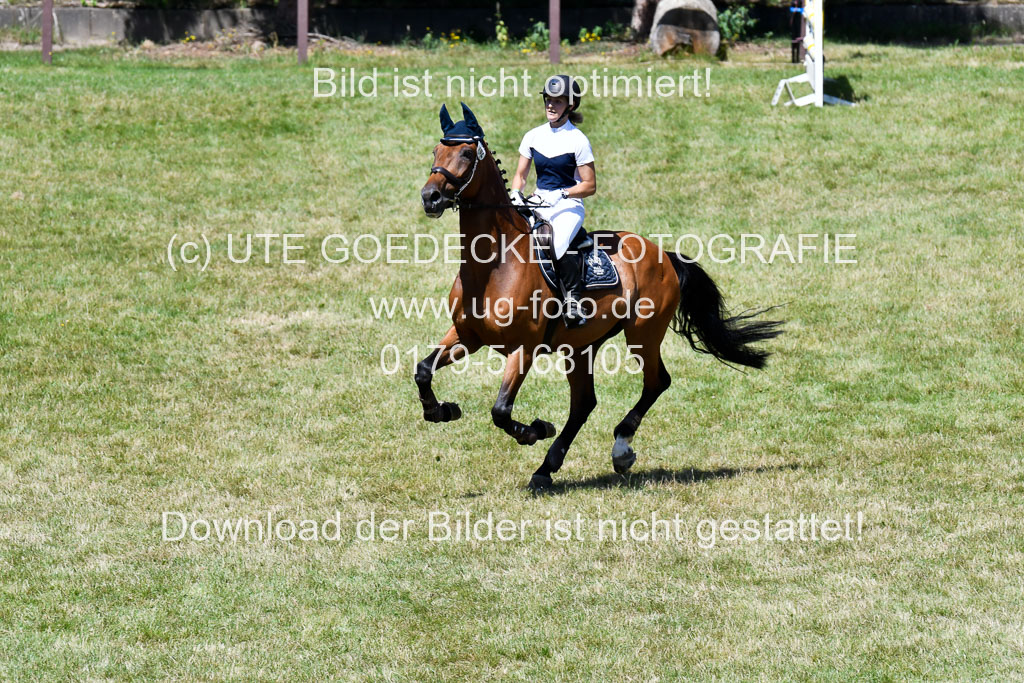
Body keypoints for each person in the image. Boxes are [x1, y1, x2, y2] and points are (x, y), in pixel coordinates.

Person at [509, 75, 597, 328]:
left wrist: (564, 193)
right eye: (548, 100)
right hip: (539, 199)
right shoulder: (533, 136)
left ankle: (573, 300)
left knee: (556, 243)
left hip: (568, 204)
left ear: (570, 105)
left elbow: (589, 185)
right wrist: (516, 193)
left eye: (557, 101)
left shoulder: (578, 140)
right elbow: (521, 175)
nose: (550, 105)